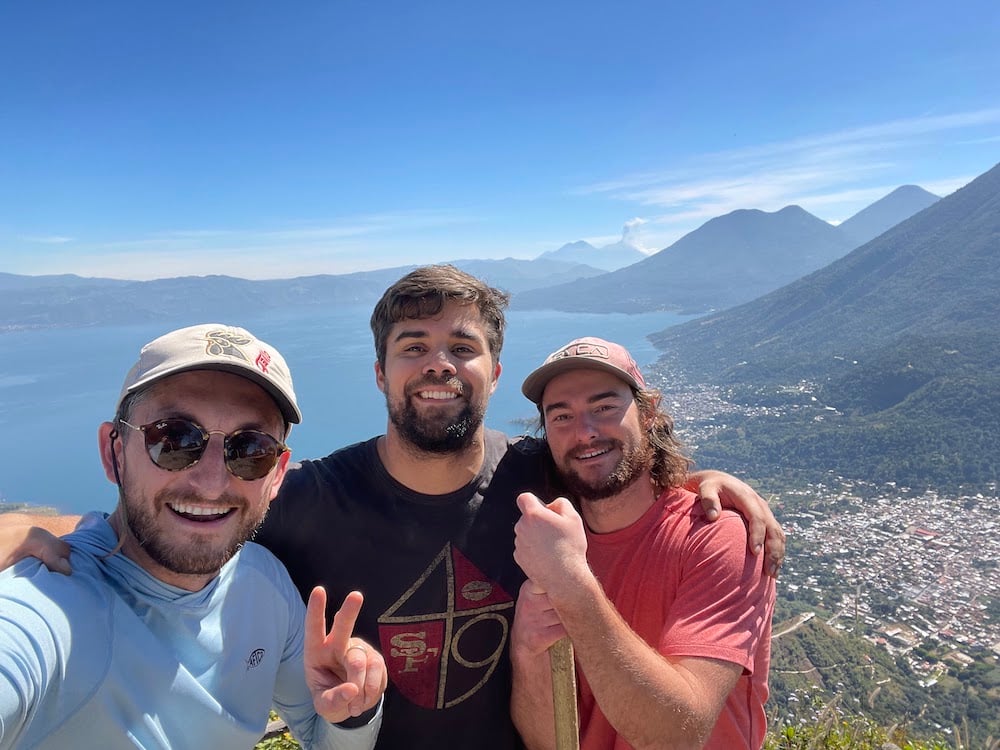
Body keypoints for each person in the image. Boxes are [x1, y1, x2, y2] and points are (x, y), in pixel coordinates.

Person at [1, 266, 784, 750]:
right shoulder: (303, 497)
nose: (438, 363)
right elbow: (183, 518)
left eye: (462, 347)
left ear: (493, 369)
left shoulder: (544, 478)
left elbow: (618, 468)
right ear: (379, 374)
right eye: (413, 345)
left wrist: (701, 482)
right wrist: (21, 527)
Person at [0, 324, 387, 750]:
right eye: (173, 439)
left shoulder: (263, 583)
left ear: (277, 474)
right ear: (113, 451)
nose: (211, 481)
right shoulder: (50, 605)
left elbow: (320, 737)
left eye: (250, 449)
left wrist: (352, 712)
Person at [510, 337, 776, 750]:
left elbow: (677, 736)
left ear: (648, 413)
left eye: (604, 408)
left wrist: (570, 583)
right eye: (561, 416)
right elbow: (548, 741)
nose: (584, 432)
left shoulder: (717, 535)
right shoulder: (548, 540)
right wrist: (527, 649)